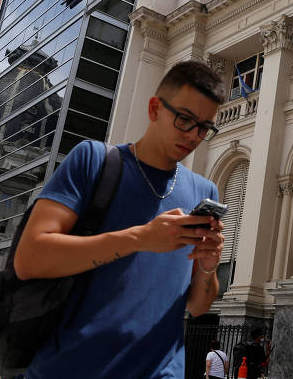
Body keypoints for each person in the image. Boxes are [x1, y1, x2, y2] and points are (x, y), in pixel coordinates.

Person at [13, 61, 227, 378]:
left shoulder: (204, 191)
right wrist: (140, 238)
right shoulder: (93, 160)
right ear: (155, 108)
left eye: (205, 127)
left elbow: (197, 307)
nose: (194, 136)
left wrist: (209, 265)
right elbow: (29, 260)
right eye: (185, 119)